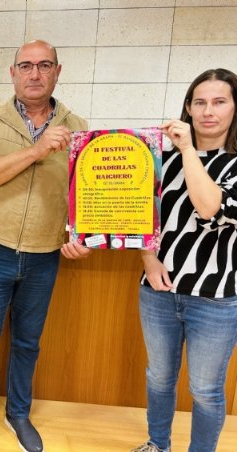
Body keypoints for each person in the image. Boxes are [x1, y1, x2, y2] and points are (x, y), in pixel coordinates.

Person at [0, 40, 90, 452]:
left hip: (45, 254)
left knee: (28, 342)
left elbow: (85, 192)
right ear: (12, 73)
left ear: (57, 71)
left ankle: (18, 414)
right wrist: (36, 151)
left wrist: (82, 236)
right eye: (25, 66)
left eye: (44, 65)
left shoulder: (78, 126)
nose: (34, 74)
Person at [132, 68, 237, 452]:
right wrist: (148, 258)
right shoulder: (161, 159)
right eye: (200, 102)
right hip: (158, 293)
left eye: (219, 101)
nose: (208, 111)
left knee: (205, 389)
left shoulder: (225, 161)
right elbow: (141, 214)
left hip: (215, 298)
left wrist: (189, 150)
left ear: (234, 108)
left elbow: (210, 206)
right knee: (159, 377)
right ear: (188, 108)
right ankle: (157, 444)